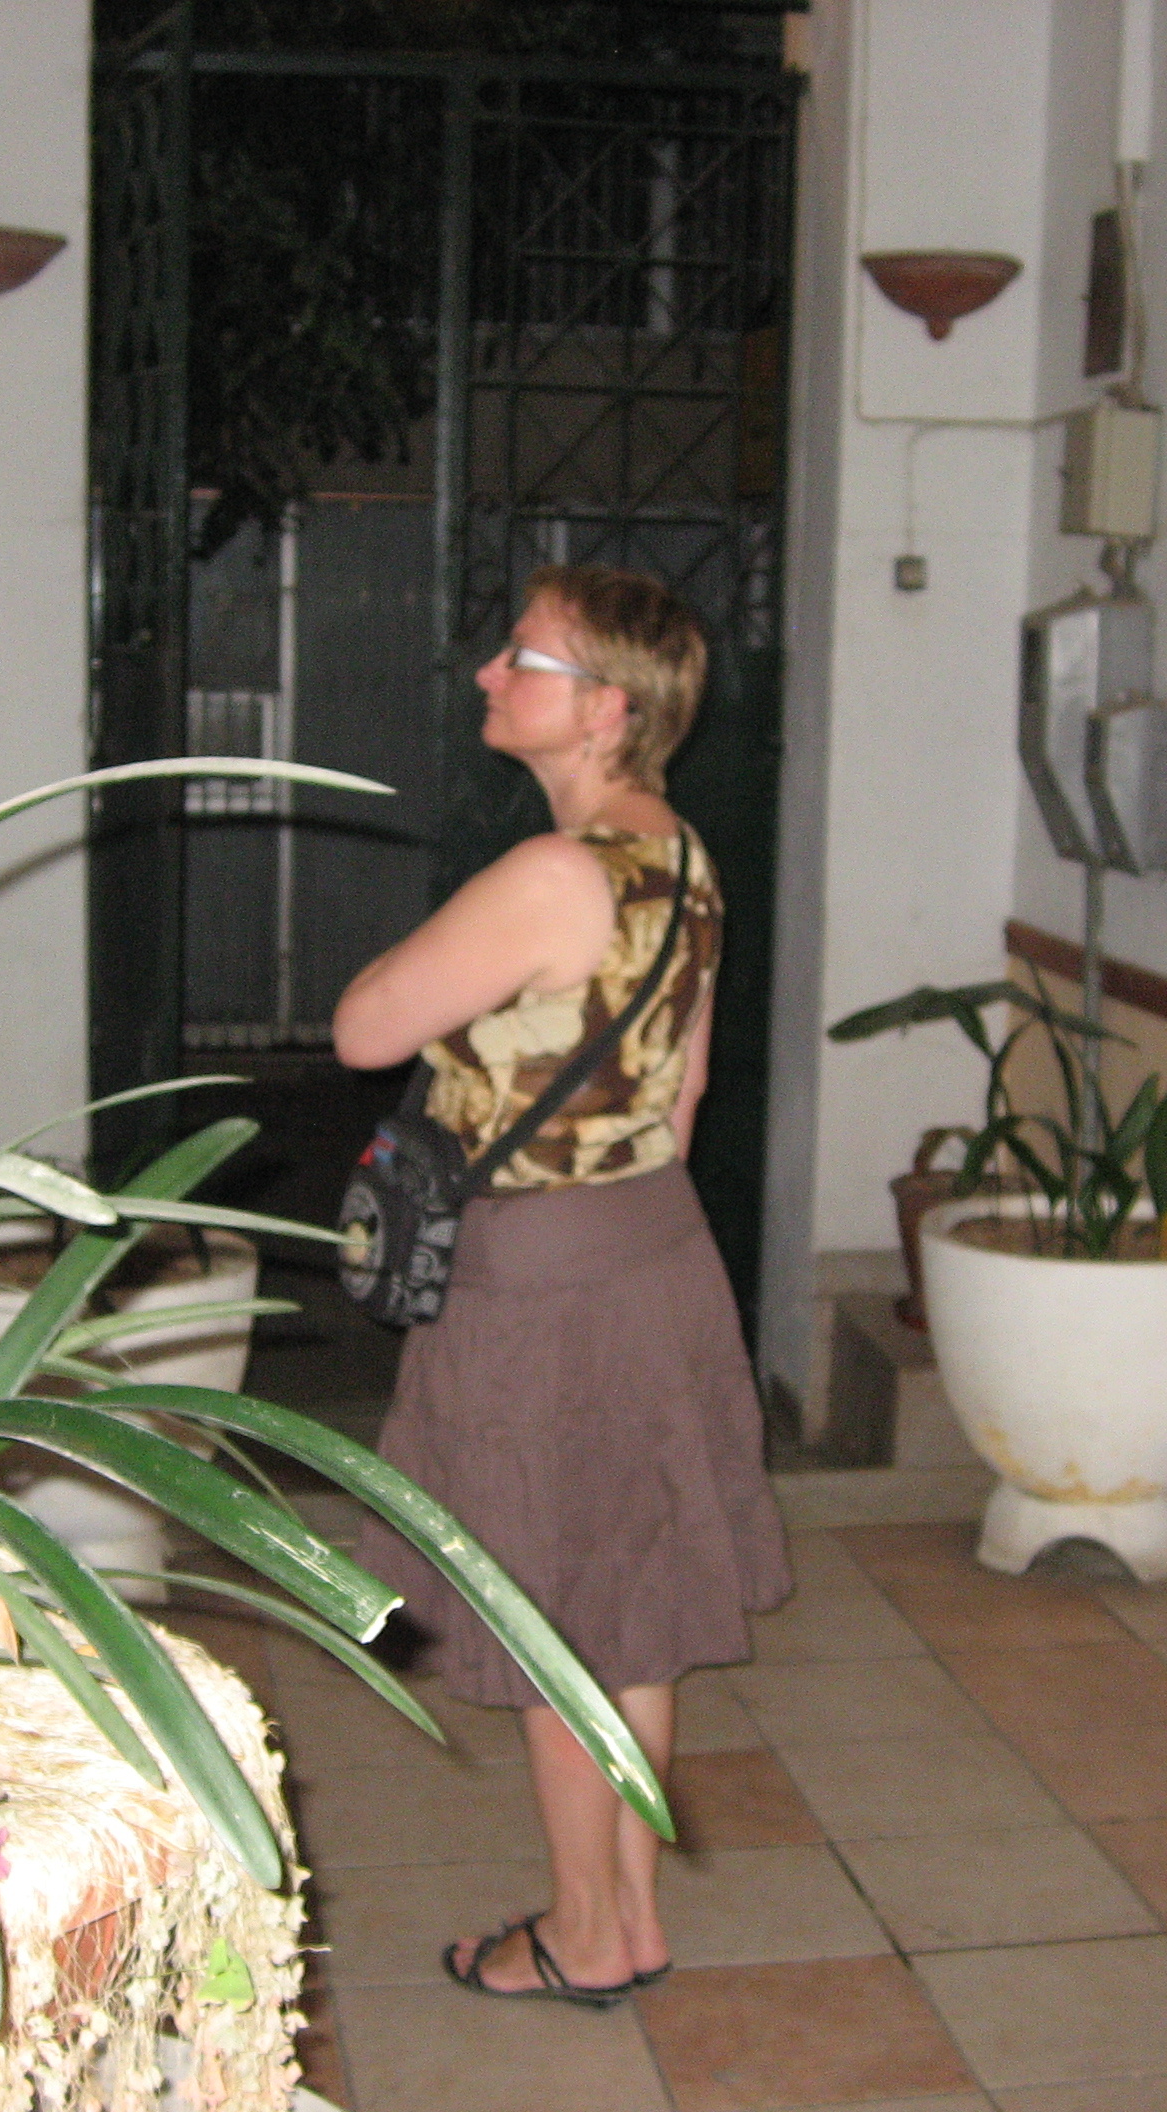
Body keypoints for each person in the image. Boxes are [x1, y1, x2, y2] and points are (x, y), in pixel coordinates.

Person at [331, 564, 791, 2008]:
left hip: (541, 1286)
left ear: (605, 710)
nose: (488, 673)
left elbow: (363, 1028)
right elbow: (684, 1094)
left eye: (521, 658)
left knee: (549, 1617)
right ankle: (630, 1915)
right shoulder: (687, 861)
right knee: (628, 1609)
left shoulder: (552, 876)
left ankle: (587, 1932)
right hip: (655, 1255)